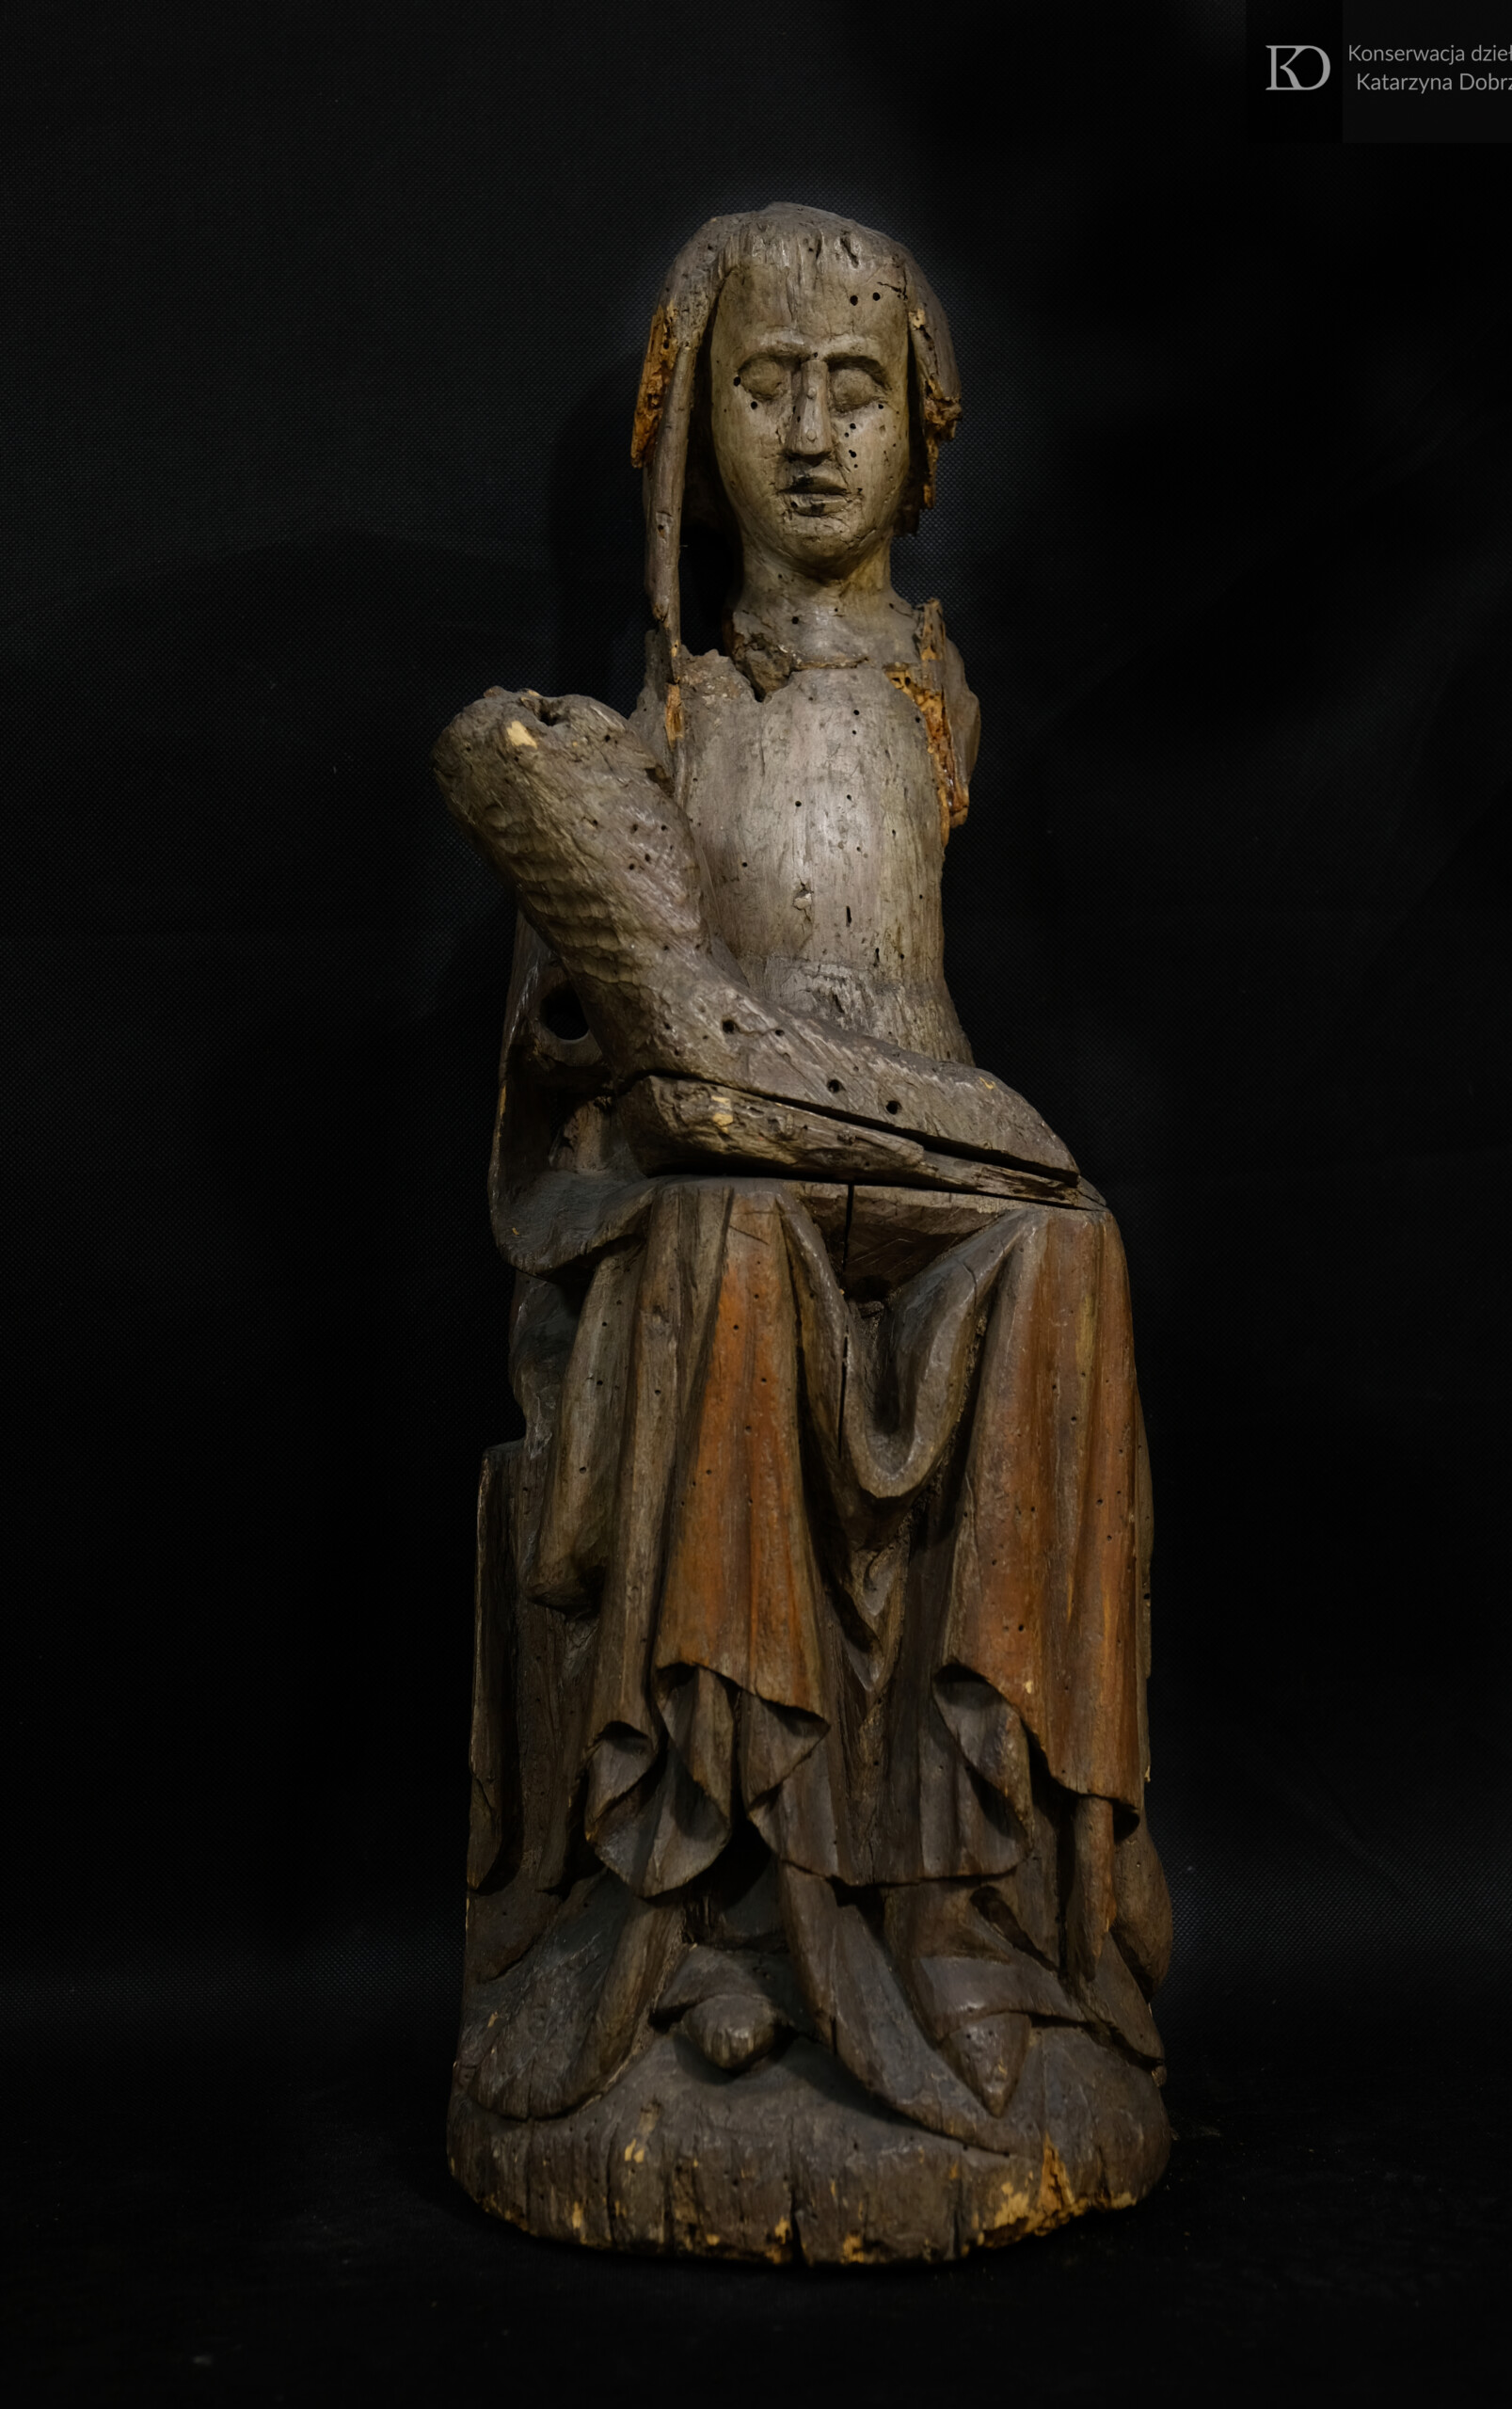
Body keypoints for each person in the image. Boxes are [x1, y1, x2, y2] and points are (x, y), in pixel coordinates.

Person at [434, 207, 1172, 2250]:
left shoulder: (935, 692)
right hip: (716, 1176)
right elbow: (607, 1044)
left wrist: (940, 1146)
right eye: (767, 385)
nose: (816, 433)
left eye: (857, 388)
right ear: (691, 427)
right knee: (731, 1260)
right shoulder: (650, 722)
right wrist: (613, 1018)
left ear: (922, 430)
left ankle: (949, 1893)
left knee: (1070, 1264)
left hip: (934, 1166)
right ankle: (705, 1906)